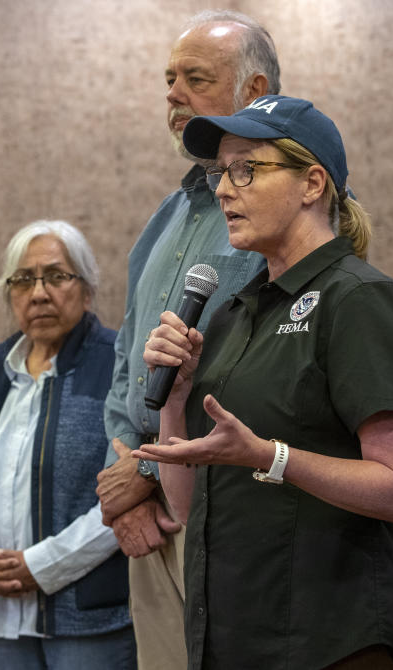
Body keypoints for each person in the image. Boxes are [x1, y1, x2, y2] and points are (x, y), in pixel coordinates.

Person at [135, 94, 393, 669]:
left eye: (246, 168)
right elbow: (188, 504)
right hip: (233, 633)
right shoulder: (231, 312)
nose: (224, 189)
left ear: (312, 183)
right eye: (220, 172)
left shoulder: (360, 301)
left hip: (330, 641)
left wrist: (268, 456)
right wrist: (174, 403)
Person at [95, 10, 279, 668]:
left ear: (254, 92)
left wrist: (142, 475)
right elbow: (126, 361)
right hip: (146, 516)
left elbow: (265, 374)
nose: (172, 94)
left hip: (230, 512)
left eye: (195, 78)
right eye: (169, 78)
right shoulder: (167, 218)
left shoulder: (286, 215)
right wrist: (126, 470)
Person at [0, 221, 136, 669]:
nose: (39, 293)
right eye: (23, 280)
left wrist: (43, 566)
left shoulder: (117, 363)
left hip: (86, 615)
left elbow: (130, 488)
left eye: (57, 276)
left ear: (87, 289)